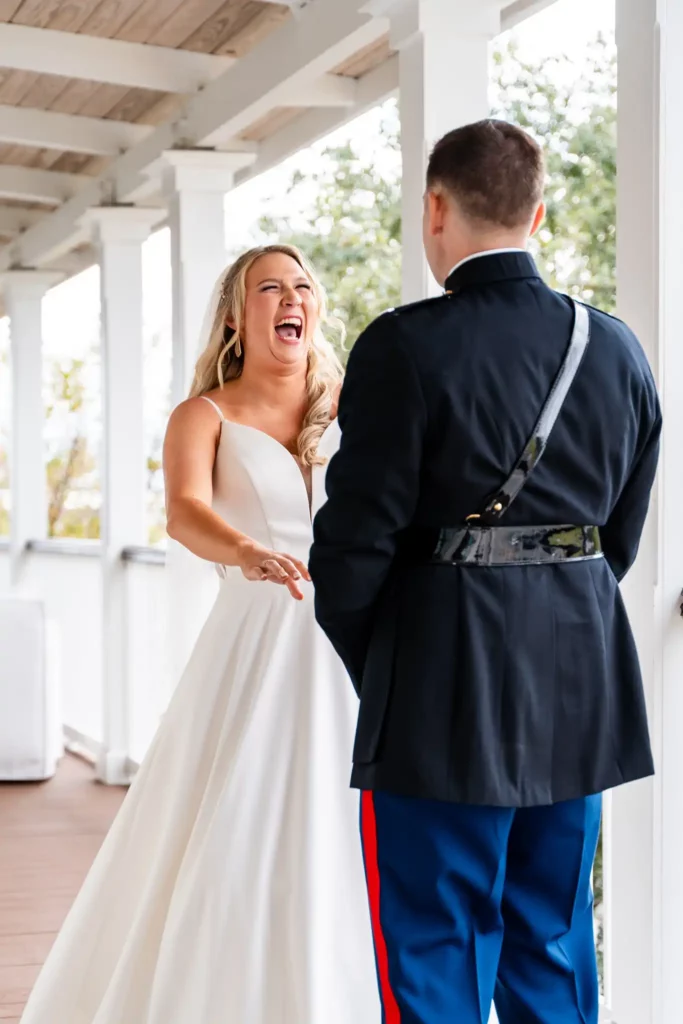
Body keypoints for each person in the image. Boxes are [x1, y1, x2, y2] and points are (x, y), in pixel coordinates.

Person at [309, 120, 661, 1024]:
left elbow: (351, 554)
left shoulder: (401, 346)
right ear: (536, 212)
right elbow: (616, 534)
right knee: (549, 935)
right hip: (578, 682)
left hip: (441, 684)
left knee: (433, 940)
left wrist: (389, 665)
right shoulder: (615, 347)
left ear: (435, 208)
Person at [20, 245, 379, 1024]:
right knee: (236, 814)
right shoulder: (204, 413)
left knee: (347, 821)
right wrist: (246, 550)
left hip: (348, 637)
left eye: (303, 287)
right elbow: (184, 513)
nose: (292, 298)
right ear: (234, 315)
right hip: (255, 634)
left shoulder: (353, 405)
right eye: (270, 288)